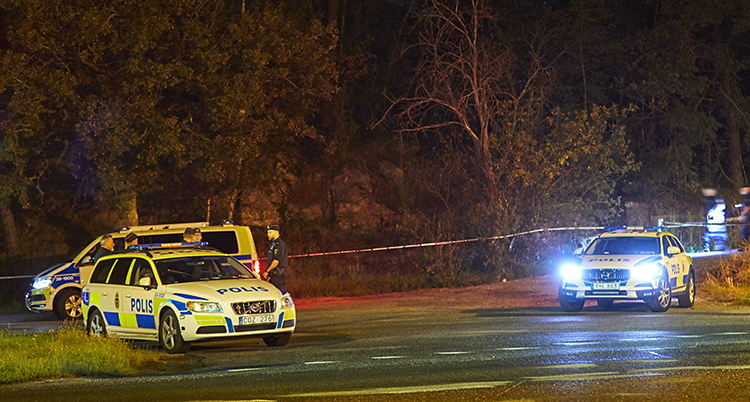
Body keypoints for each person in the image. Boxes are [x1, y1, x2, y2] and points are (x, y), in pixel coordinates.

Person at [263, 225, 288, 292]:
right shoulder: (273, 244)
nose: (268, 234)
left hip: (278, 275)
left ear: (276, 232)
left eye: (270, 232)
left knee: (279, 294)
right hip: (273, 275)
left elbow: (276, 261)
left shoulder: (279, 245)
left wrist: (267, 271)